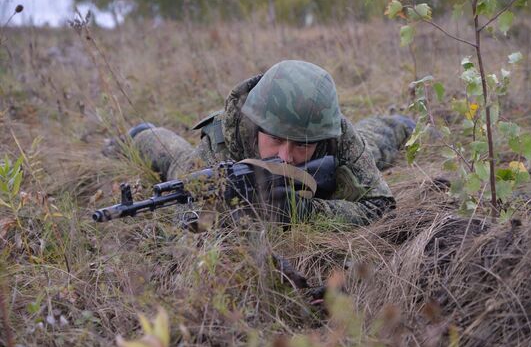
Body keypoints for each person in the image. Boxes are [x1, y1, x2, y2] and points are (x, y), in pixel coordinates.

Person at [119, 60, 414, 226]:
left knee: (374, 145)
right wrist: (237, 217)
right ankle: (141, 134)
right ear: (256, 127)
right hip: (211, 168)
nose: (286, 157)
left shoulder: (338, 135)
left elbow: (382, 207)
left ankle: (400, 123)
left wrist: (307, 212)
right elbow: (186, 214)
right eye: (275, 139)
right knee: (178, 166)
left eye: (301, 144)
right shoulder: (224, 140)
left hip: (340, 158)